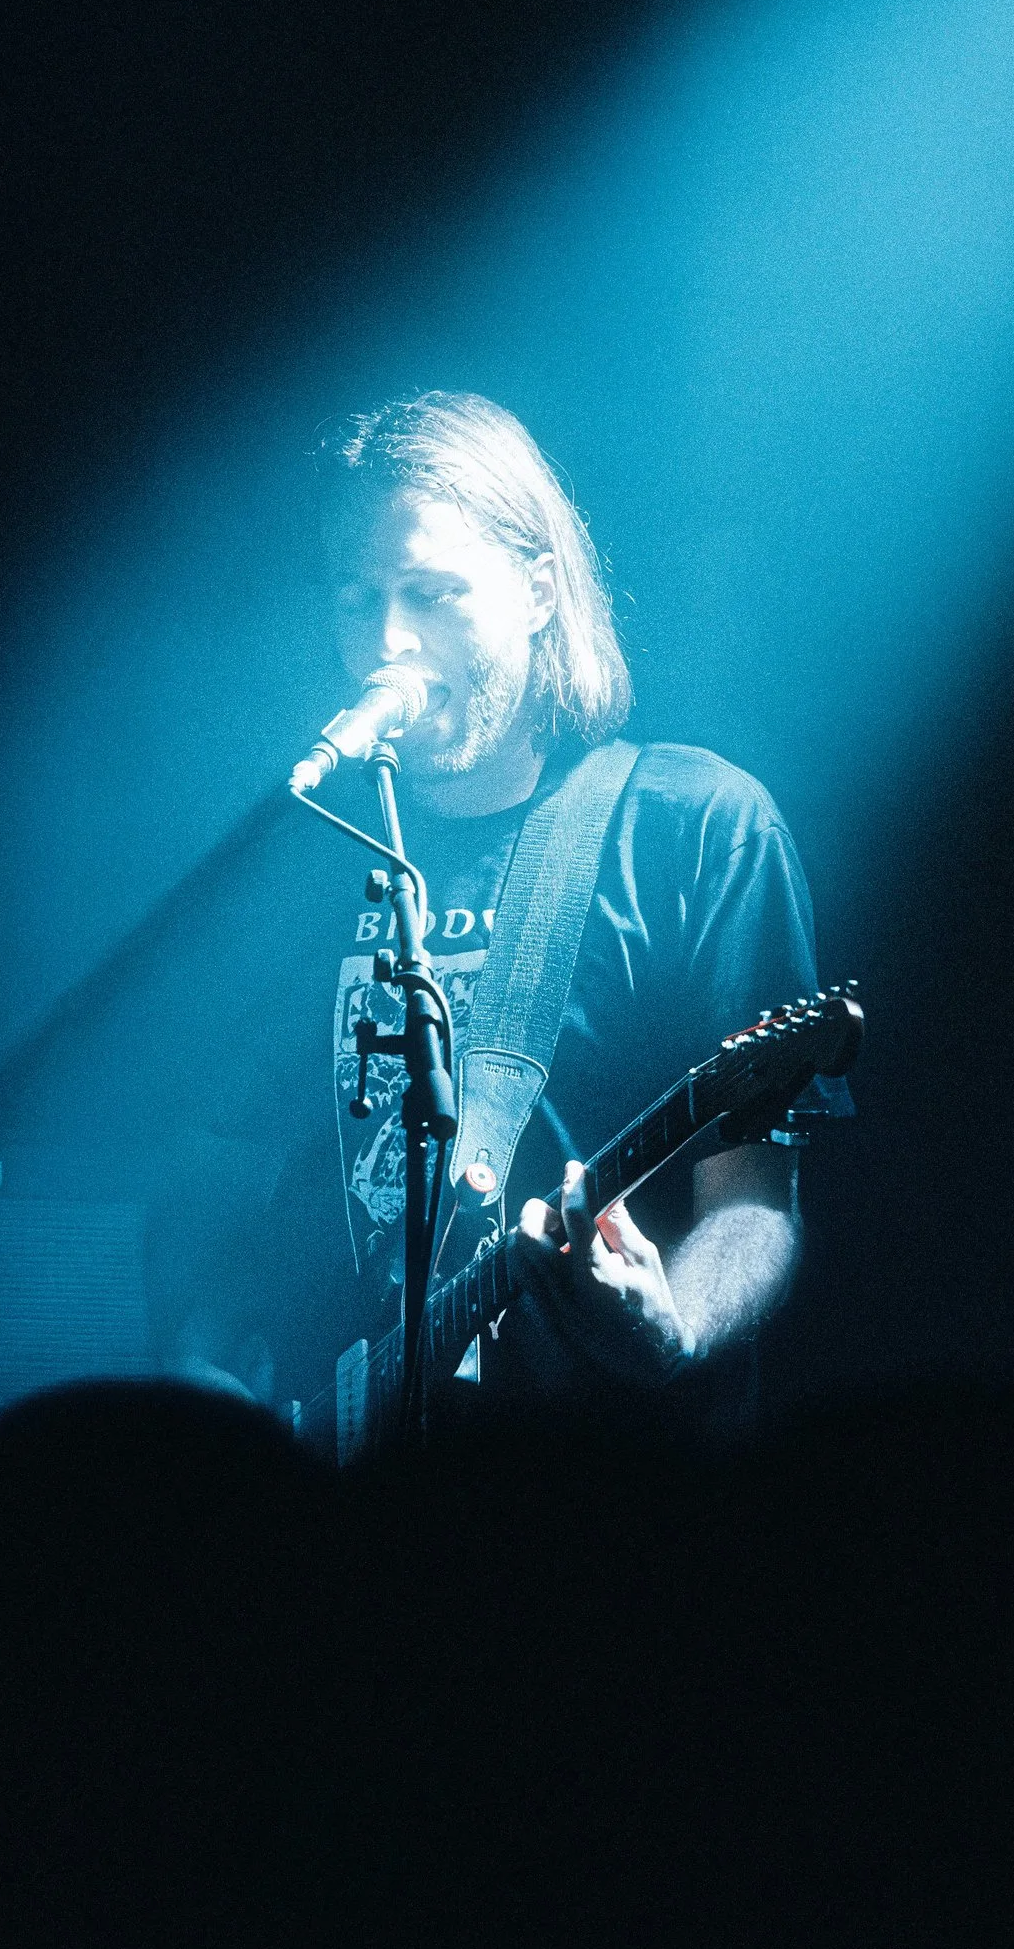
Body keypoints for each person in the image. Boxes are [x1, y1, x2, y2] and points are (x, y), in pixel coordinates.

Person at [155, 389, 845, 1430]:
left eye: (432, 593)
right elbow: (215, 1173)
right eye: (358, 597)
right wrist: (199, 1365)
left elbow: (752, 1202)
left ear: (535, 590)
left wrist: (674, 1326)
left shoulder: (693, 827)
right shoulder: (304, 863)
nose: (387, 640)